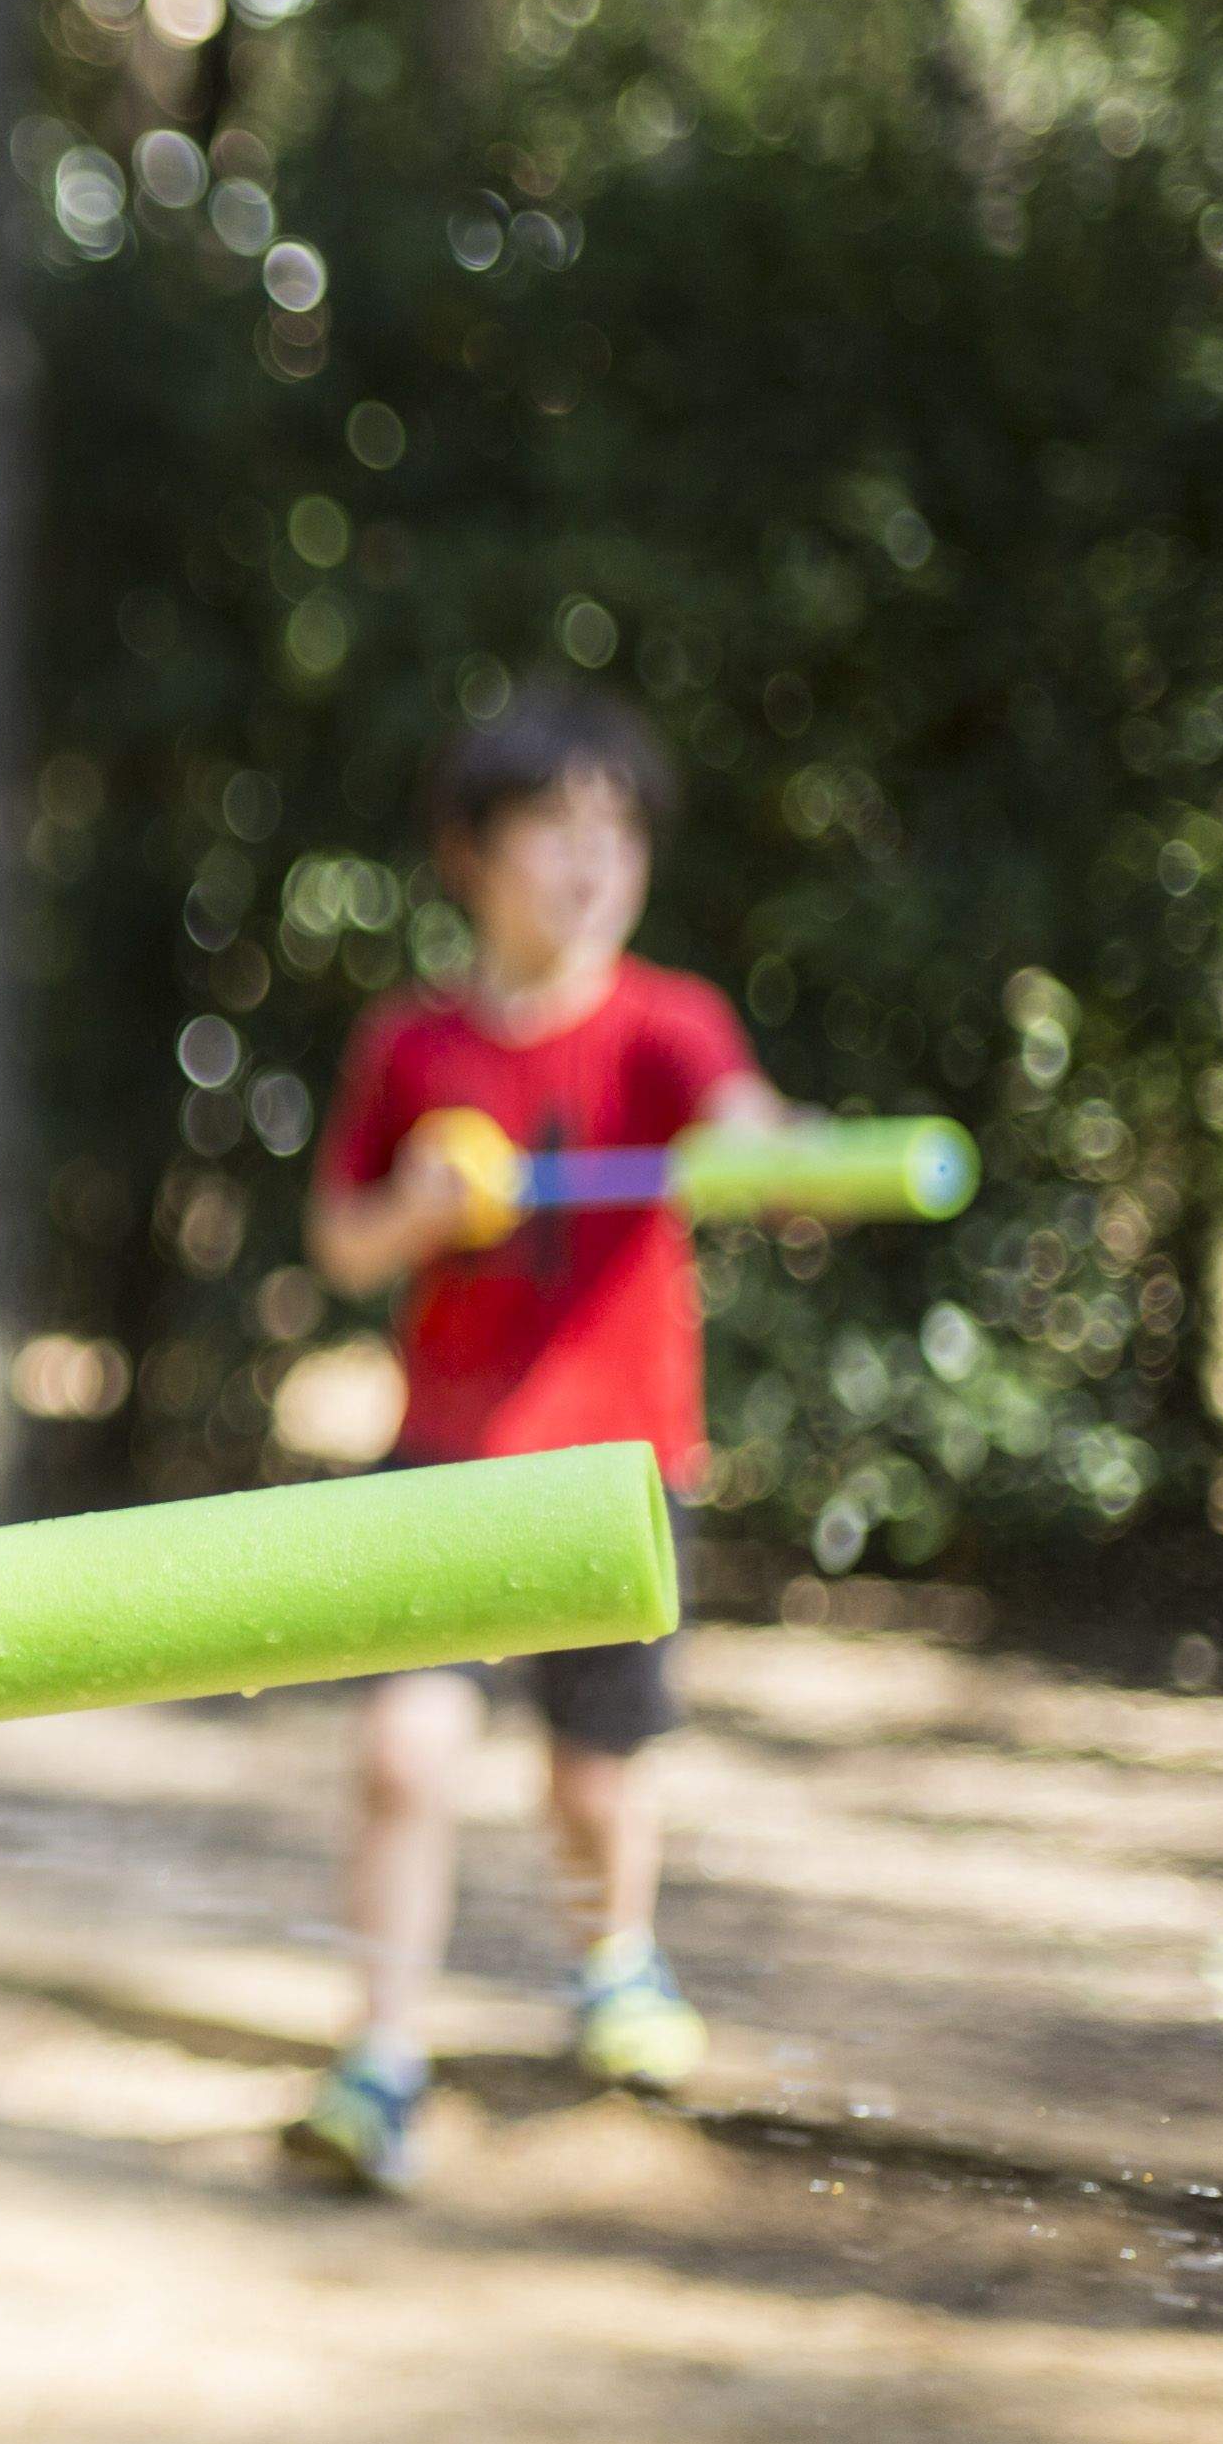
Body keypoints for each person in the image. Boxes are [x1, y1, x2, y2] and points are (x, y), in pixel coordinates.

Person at [288, 690, 786, 2193]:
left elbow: (745, 1120)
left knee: (593, 1783)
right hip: (443, 1470)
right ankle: (379, 2060)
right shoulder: (412, 1045)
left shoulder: (668, 1025)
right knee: (401, 1755)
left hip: (620, 1480)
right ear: (472, 856)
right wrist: (417, 1215)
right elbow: (343, 1245)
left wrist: (770, 1152)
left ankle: (614, 1963)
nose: (590, 865)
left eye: (616, 835)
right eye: (555, 832)